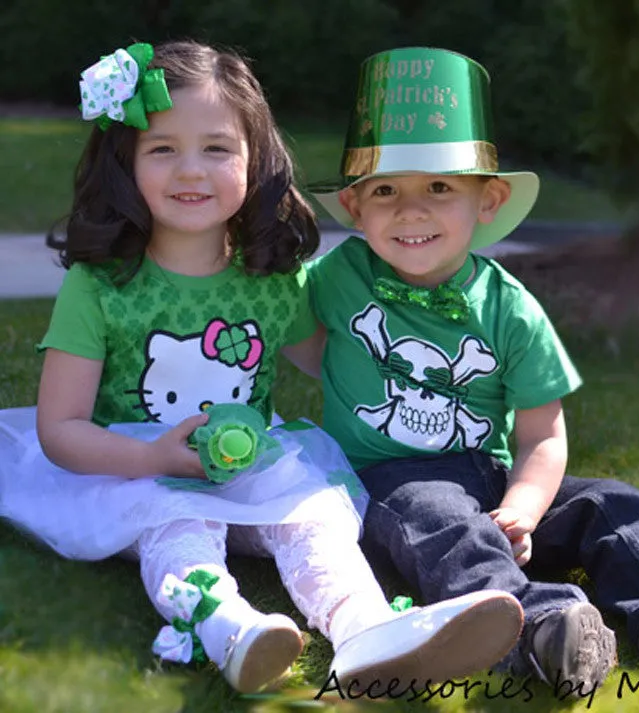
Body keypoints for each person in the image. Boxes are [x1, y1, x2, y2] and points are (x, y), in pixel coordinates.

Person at [0, 41, 525, 695]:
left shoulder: (271, 277)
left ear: (256, 159)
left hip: (250, 451)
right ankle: (227, 625)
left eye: (217, 148)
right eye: (163, 148)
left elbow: (336, 362)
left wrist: (436, 354)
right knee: (176, 523)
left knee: (315, 517)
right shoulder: (100, 286)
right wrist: (157, 458)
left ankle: (365, 629)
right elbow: (61, 429)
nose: (191, 170)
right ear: (124, 161)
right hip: (130, 459)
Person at [307, 46, 639, 692]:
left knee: (611, 503)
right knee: (442, 518)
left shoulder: (509, 307)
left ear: (488, 199)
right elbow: (271, 325)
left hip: (493, 474)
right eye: (385, 190)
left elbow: (541, 433)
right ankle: (538, 627)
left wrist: (524, 508)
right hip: (390, 482)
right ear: (354, 207)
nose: (410, 210)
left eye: (439, 187)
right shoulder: (339, 278)